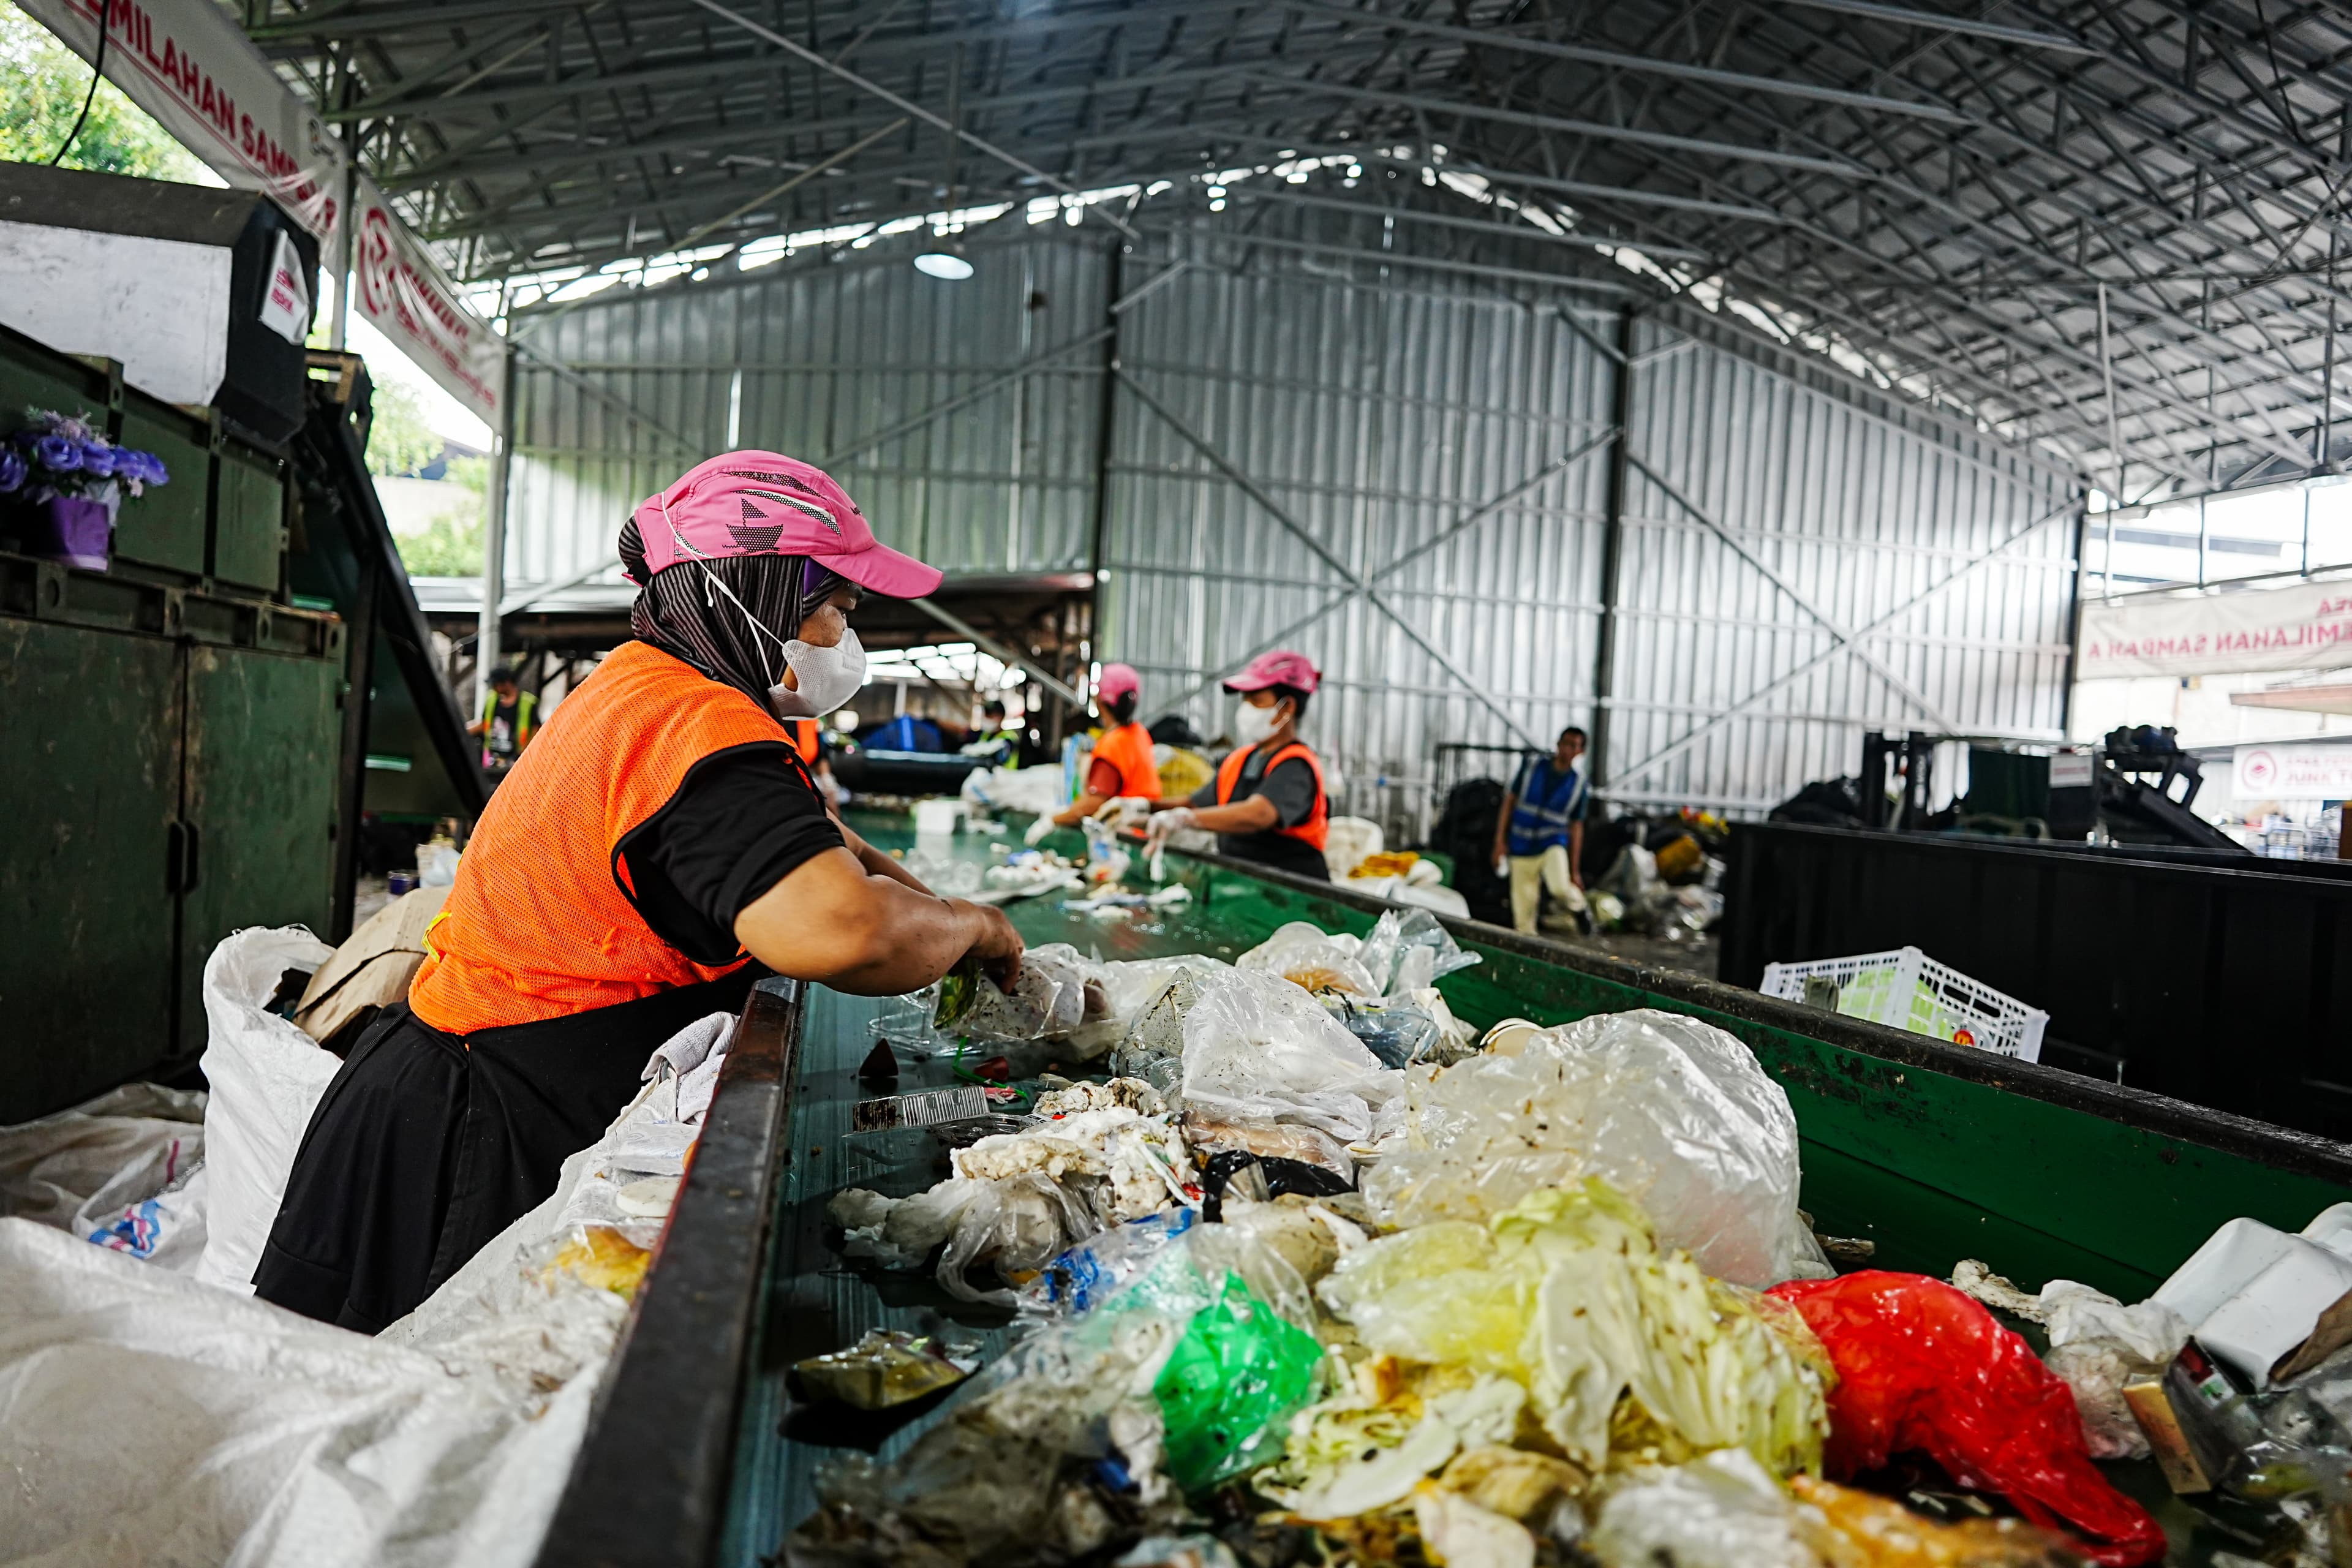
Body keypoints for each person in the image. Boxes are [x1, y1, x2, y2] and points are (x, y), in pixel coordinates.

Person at [252, 450, 1023, 1332]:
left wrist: (949, 916)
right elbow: (844, 929)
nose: (845, 643)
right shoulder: (695, 724)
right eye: (837, 611)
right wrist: (974, 928)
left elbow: (830, 849)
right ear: (758, 591)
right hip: (465, 1144)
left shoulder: (648, 689)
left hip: (436, 1101)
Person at [1145, 650, 1328, 880]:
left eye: (1256, 700)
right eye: (1245, 700)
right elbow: (1193, 803)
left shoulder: (1296, 765)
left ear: (1287, 707)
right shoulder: (1240, 759)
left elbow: (1259, 814)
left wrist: (1184, 819)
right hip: (1245, 885)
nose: (1246, 708)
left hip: (1293, 896)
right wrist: (1142, 809)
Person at [1025, 663, 1161, 843]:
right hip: (1145, 831)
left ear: (1102, 700)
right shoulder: (1139, 733)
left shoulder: (1113, 744)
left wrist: (1051, 821)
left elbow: (1095, 803)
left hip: (1125, 839)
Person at [1493, 726, 1591, 935]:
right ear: (1557, 744)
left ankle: (1580, 908)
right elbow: (1509, 802)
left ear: (1580, 752)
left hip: (1552, 843)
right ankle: (1528, 956)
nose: (1567, 749)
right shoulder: (1532, 768)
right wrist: (1500, 842)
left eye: (1573, 746)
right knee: (1523, 917)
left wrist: (1575, 870)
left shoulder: (1578, 785)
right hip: (1520, 845)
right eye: (1564, 743)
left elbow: (1576, 826)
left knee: (1560, 888)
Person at [468, 663, 537, 774]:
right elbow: (484, 725)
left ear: (507, 683)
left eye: (496, 684)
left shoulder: (527, 703)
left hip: (516, 762)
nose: (494, 688)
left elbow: (535, 731)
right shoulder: (492, 699)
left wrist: (526, 755)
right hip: (491, 760)